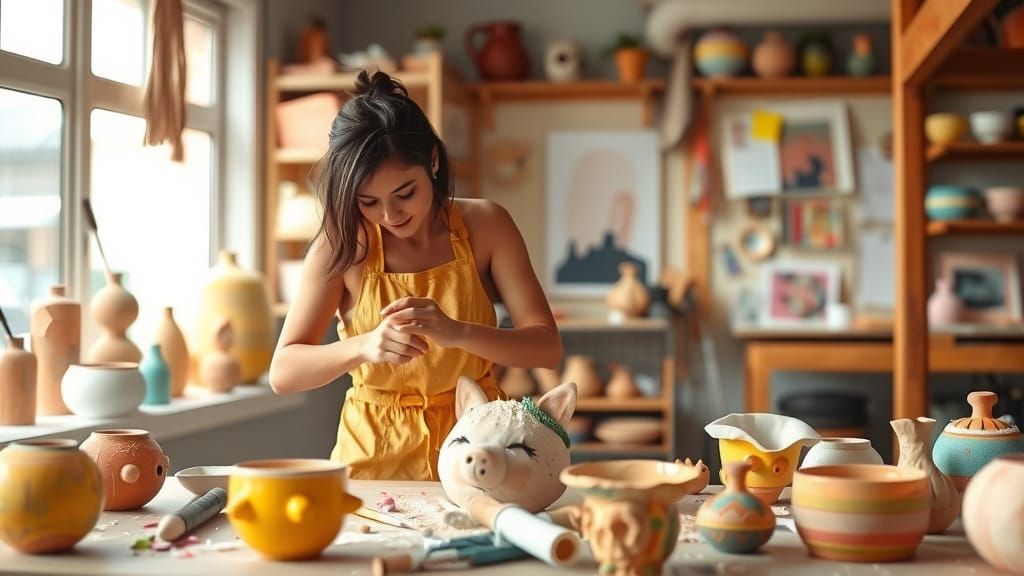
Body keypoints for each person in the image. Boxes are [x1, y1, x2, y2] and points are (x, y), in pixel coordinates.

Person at [269, 70, 563, 481]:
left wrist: (457, 332)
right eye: (369, 202)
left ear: (434, 161)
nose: (391, 216)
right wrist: (364, 346)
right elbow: (283, 372)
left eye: (405, 193)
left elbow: (547, 348)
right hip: (372, 459)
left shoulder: (487, 224)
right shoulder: (341, 245)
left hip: (478, 444)